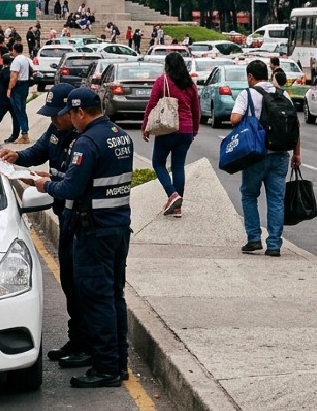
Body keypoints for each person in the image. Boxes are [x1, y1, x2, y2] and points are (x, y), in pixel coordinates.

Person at [31, 87, 133, 388]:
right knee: (114, 297)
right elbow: (92, 182)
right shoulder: (120, 135)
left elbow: (71, 190)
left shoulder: (86, 142)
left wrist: (44, 185)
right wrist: (56, 177)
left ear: (79, 112)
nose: (69, 121)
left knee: (96, 299)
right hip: (117, 227)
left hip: (93, 231)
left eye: (71, 114)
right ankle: (119, 363)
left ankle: (105, 369)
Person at [0, 82, 85, 369]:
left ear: (72, 113)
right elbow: (38, 150)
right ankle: (77, 340)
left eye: (56, 115)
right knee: (70, 284)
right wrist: (16, 157)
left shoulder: (82, 139)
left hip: (81, 220)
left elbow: (73, 184)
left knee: (83, 287)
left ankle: (88, 345)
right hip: (66, 217)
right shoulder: (56, 130)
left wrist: (44, 182)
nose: (52, 120)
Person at [230, 60, 301, 257]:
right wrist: (297, 153)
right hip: (280, 154)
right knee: (276, 199)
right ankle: (274, 245)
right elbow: (295, 125)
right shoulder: (282, 94)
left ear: (250, 77)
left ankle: (254, 238)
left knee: (249, 195)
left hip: (256, 155)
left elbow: (234, 119)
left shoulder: (247, 94)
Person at [140, 52, 199, 218]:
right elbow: (196, 110)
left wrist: (145, 126)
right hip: (186, 130)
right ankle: (177, 208)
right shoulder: (190, 84)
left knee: (158, 163)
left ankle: (172, 194)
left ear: (167, 65)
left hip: (167, 129)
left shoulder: (162, 81)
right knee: (178, 166)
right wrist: (194, 130)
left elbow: (151, 104)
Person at [8, 42, 34, 143]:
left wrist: (9, 89)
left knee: (18, 110)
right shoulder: (25, 59)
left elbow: (14, 77)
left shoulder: (16, 61)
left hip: (18, 86)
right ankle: (24, 131)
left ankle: (24, 134)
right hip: (25, 85)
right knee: (22, 109)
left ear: (14, 50)